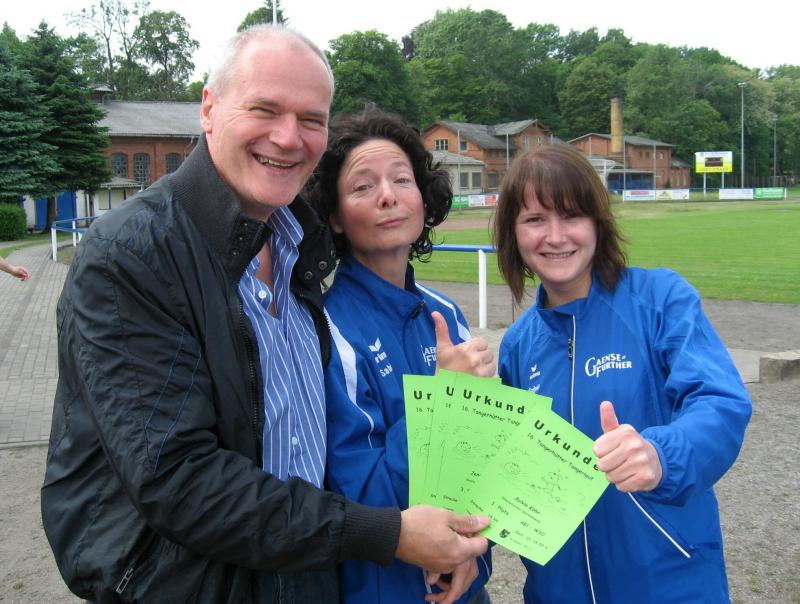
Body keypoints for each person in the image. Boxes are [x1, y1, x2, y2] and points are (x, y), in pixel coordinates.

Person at [41, 26, 489, 604]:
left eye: (311, 119)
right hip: (195, 586)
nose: (288, 137)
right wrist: (389, 534)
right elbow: (179, 480)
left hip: (305, 574)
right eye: (264, 109)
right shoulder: (131, 253)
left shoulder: (295, 246)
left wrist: (455, 543)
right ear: (209, 108)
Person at [492, 144, 752, 603]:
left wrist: (659, 455)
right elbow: (515, 475)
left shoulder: (660, 299)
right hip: (558, 591)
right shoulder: (517, 345)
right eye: (534, 219)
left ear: (598, 222)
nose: (555, 236)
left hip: (670, 583)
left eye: (571, 215)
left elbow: (720, 402)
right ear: (513, 234)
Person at [306, 109, 495, 604]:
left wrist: (474, 550)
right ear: (334, 216)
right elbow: (366, 496)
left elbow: (482, 462)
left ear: (423, 198)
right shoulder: (327, 329)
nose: (388, 195)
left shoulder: (445, 313)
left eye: (402, 179)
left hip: (462, 583)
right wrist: (444, 397)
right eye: (363, 186)